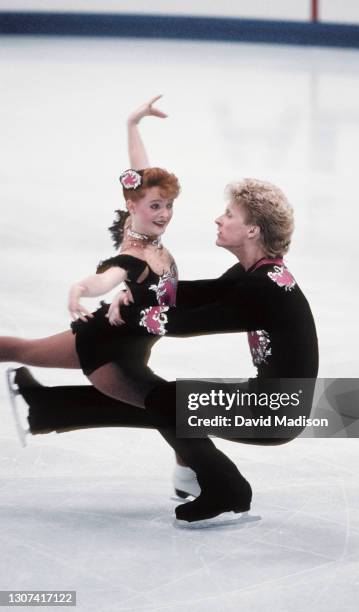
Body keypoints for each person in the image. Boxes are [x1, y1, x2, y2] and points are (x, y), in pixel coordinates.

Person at [9, 176, 319, 526]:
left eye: (230, 214)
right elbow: (199, 294)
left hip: (272, 414)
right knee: (163, 401)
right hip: (271, 402)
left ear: (253, 231)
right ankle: (49, 409)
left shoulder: (264, 288)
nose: (219, 219)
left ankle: (228, 489)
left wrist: (133, 312)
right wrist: (139, 292)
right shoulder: (258, 274)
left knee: (164, 402)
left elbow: (190, 323)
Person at [1, 96, 182, 410]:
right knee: (24, 350)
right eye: (156, 206)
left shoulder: (138, 221)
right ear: (133, 207)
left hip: (130, 342)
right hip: (107, 349)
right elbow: (108, 277)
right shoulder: (135, 253)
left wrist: (132, 124)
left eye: (168, 205)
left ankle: (39, 403)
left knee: (167, 412)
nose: (164, 213)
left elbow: (140, 175)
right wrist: (81, 288)